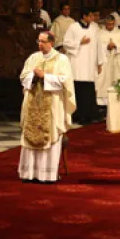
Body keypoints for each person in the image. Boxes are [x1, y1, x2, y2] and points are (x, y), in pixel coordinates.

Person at [19, 31, 76, 182]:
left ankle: (47, 175)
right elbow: (23, 77)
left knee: (51, 135)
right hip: (32, 103)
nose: (40, 44)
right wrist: (33, 76)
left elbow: (66, 82)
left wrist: (45, 76)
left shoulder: (61, 59)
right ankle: (29, 174)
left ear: (51, 42)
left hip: (52, 105)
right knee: (30, 135)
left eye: (43, 42)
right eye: (38, 41)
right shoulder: (33, 58)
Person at [63, 8, 99, 123]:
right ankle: (78, 115)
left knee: (89, 89)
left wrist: (100, 62)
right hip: (77, 63)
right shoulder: (73, 27)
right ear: (84, 16)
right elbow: (66, 43)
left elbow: (99, 45)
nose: (92, 18)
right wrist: (79, 43)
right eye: (90, 16)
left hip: (90, 64)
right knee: (78, 89)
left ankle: (90, 114)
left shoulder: (94, 28)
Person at [95, 17, 120, 106]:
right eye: (108, 24)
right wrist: (106, 46)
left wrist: (116, 45)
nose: (110, 26)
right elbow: (97, 47)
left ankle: (117, 99)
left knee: (116, 77)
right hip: (105, 60)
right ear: (105, 23)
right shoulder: (99, 34)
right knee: (103, 79)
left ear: (114, 23)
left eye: (112, 24)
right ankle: (102, 102)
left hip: (116, 59)